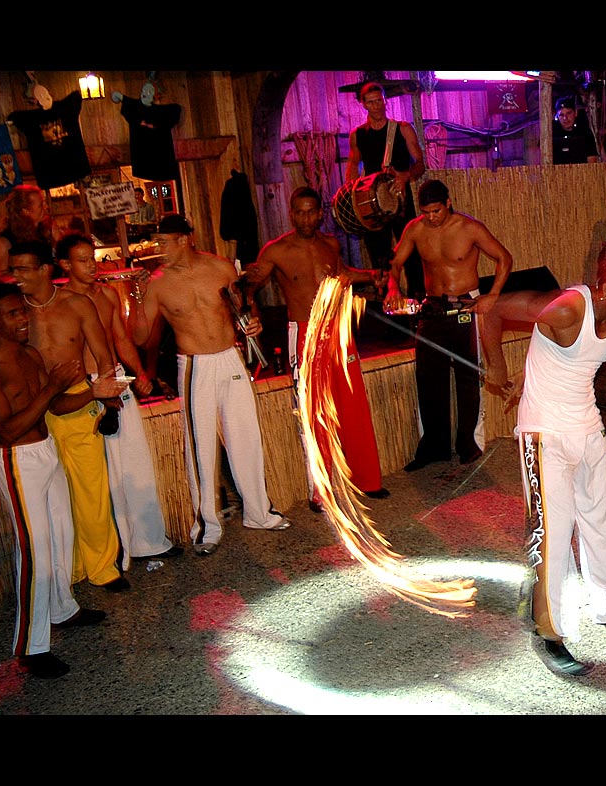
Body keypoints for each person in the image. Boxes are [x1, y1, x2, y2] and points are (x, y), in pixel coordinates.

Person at [487, 251, 606, 676]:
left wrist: (532, 369)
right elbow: (491, 309)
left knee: (603, 519)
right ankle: (548, 631)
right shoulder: (566, 309)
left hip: (587, 426)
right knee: (552, 534)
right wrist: (498, 366)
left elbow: (575, 363)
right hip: (544, 433)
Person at [0, 281, 124, 679]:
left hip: (46, 450)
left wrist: (93, 391)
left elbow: (55, 405)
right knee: (34, 552)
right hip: (18, 461)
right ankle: (30, 646)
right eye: (14, 314)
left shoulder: (30, 355)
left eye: (23, 311)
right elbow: (7, 429)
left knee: (62, 536)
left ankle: (62, 609)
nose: (24, 319)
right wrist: (53, 385)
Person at [130, 213, 291, 557]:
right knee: (200, 445)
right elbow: (142, 337)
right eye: (156, 242)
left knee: (246, 435)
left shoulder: (220, 268)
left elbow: (244, 308)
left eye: (163, 242)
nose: (158, 249)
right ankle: (207, 526)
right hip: (195, 364)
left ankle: (259, 513)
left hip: (229, 356)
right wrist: (137, 296)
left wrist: (254, 325)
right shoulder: (158, 283)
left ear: (184, 240)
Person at [240, 186, 389, 512]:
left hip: (337, 329)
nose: (306, 218)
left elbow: (343, 275)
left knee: (353, 405)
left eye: (311, 211)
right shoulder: (275, 251)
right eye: (300, 212)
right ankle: (320, 492)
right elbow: (249, 287)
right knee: (315, 411)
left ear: (320, 213)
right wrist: (252, 316)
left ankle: (367, 480)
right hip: (306, 333)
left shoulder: (330, 245)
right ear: (291, 213)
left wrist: (372, 276)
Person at [7, 241, 131, 591]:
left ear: (45, 269)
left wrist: (108, 403)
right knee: (52, 497)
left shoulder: (77, 304)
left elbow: (103, 355)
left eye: (23, 269)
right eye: (12, 270)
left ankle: (103, 567)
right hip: (37, 409)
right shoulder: (14, 313)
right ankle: (68, 570)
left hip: (78, 401)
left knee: (91, 490)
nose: (16, 277)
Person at [56, 234, 182, 569]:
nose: (91, 265)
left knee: (136, 465)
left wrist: (139, 372)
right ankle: (115, 553)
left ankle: (149, 541)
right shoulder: (62, 302)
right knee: (103, 477)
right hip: (89, 389)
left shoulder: (107, 294)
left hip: (117, 380)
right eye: (83, 260)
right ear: (65, 265)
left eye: (92, 257)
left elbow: (122, 339)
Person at [384, 179, 514, 471]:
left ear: (448, 202)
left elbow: (504, 258)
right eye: (426, 211)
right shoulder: (415, 229)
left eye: (437, 211)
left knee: (469, 374)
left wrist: (492, 295)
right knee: (428, 375)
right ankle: (434, 446)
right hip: (433, 304)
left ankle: (468, 443)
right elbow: (395, 263)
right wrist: (394, 289)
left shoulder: (469, 228)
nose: (432, 217)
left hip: (465, 303)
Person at [345, 81, 427, 298]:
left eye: (379, 101)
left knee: (409, 252)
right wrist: (352, 196)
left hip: (400, 198)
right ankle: (387, 300)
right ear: (363, 105)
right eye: (371, 102)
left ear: (385, 100)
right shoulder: (357, 135)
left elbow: (420, 163)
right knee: (378, 256)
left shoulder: (402, 129)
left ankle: (418, 298)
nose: (376, 106)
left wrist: (406, 175)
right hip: (372, 203)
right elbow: (353, 165)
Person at [0, 184, 56, 277]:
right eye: (41, 205)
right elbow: (1, 277)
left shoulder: (44, 232)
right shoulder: (5, 241)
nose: (46, 207)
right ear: (26, 211)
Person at [551, 96, 599, 164]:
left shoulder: (585, 132)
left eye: (569, 113)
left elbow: (592, 160)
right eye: (561, 115)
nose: (565, 118)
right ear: (557, 116)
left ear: (575, 112)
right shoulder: (551, 133)